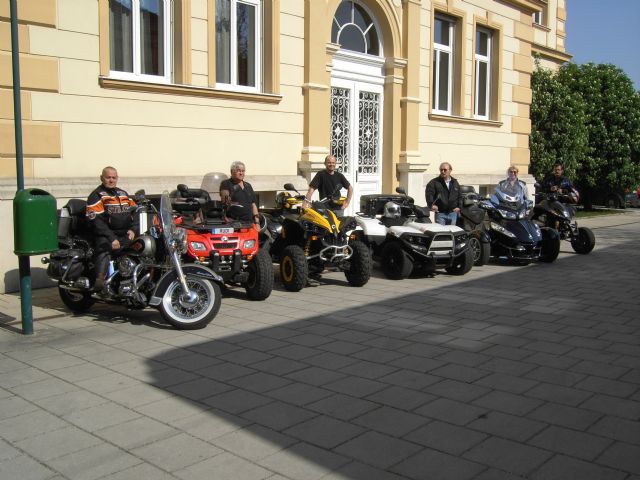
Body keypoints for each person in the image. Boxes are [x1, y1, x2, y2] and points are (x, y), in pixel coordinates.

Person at [86, 166, 138, 291]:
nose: (111, 180)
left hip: (124, 233)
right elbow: (96, 221)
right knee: (104, 248)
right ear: (101, 178)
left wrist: (133, 229)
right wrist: (112, 238)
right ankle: (100, 280)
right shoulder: (96, 195)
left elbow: (135, 211)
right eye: (108, 177)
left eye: (114, 177)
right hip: (105, 234)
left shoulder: (122, 193)